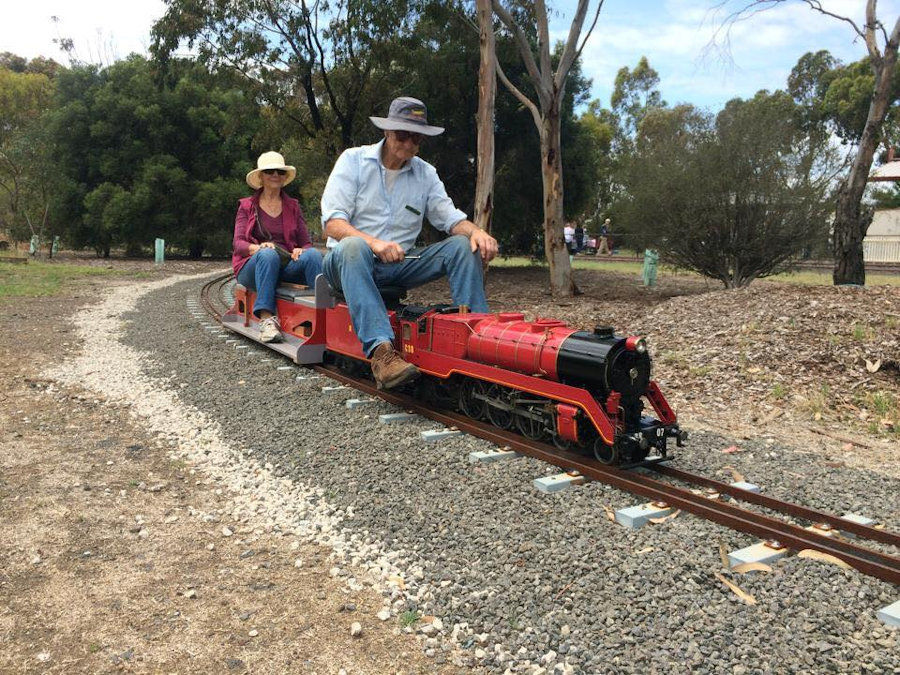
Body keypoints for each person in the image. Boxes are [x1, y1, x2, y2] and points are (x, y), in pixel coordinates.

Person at [320, 96, 498, 389]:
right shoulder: (353, 161)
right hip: (347, 264)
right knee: (354, 247)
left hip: (400, 264)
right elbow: (333, 223)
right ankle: (382, 354)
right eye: (403, 134)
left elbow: (449, 218)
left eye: (417, 138)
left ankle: (478, 337)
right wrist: (373, 243)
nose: (410, 144)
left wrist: (475, 231)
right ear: (387, 132)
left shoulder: (425, 173)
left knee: (462, 245)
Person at [233, 151, 324, 343]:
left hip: (285, 264)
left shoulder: (293, 206)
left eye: (280, 172)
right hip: (254, 266)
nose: (275, 175)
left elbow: (305, 241)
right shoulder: (247, 206)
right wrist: (258, 248)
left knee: (314, 255)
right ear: (261, 176)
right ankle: (267, 321)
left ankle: (323, 315)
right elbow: (238, 244)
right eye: (269, 171)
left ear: (284, 177)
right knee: (268, 255)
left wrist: (302, 249)